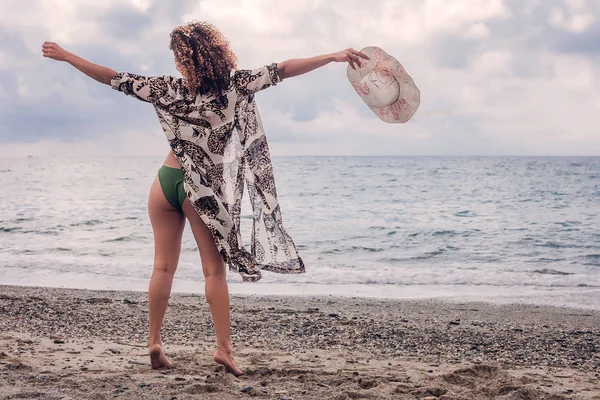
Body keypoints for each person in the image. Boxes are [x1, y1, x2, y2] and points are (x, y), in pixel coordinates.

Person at [42, 21, 369, 376]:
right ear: (217, 51)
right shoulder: (233, 85)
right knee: (214, 271)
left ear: (182, 59)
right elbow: (283, 70)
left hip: (165, 181)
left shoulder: (166, 89)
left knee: (162, 267)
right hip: (201, 192)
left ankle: (154, 342)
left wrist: (67, 56)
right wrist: (332, 56)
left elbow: (111, 77)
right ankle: (224, 350)